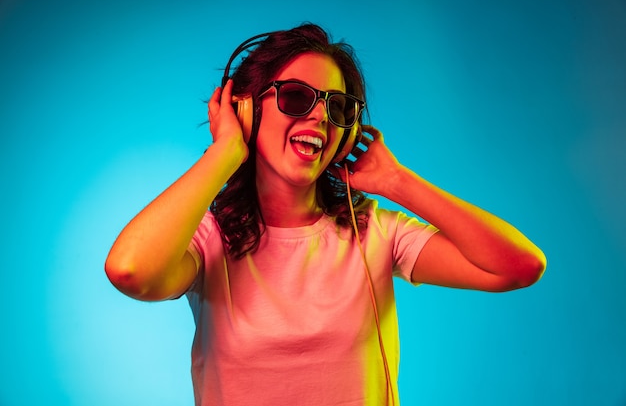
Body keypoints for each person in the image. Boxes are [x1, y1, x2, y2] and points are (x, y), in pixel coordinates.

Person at [105, 23, 546, 406]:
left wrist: (397, 183)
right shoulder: (209, 239)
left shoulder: (374, 231)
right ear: (245, 109)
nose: (320, 116)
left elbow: (519, 266)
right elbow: (130, 271)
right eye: (296, 97)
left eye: (338, 107)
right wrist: (224, 153)